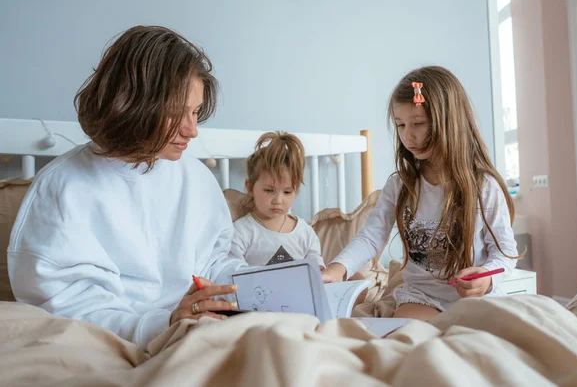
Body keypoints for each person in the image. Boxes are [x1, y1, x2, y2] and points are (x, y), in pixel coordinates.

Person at [7, 25, 247, 350]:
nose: (192, 131)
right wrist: (167, 324)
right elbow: (71, 309)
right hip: (120, 341)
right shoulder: (64, 188)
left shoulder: (195, 177)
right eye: (177, 114)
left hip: (199, 330)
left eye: (195, 113)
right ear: (133, 105)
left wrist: (266, 283)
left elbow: (214, 262)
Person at [321, 66, 519, 321]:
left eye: (418, 124)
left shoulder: (484, 186)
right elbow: (372, 237)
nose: (407, 136)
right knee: (412, 338)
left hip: (476, 299)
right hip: (422, 296)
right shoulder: (400, 185)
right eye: (400, 125)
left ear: (449, 122)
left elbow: (504, 252)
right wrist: (338, 268)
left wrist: (487, 277)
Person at [229, 132, 324, 269]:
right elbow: (233, 269)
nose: (278, 200)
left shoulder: (304, 232)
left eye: (287, 192)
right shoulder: (241, 232)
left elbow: (316, 266)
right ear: (250, 187)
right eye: (268, 190)